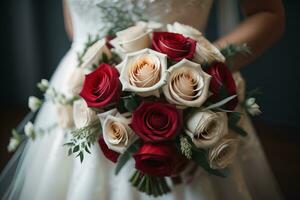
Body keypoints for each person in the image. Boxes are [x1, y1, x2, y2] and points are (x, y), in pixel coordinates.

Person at [0, 0, 285, 199]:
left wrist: (199, 73)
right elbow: (77, 23)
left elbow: (268, 12)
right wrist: (109, 70)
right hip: (83, 93)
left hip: (189, 89)